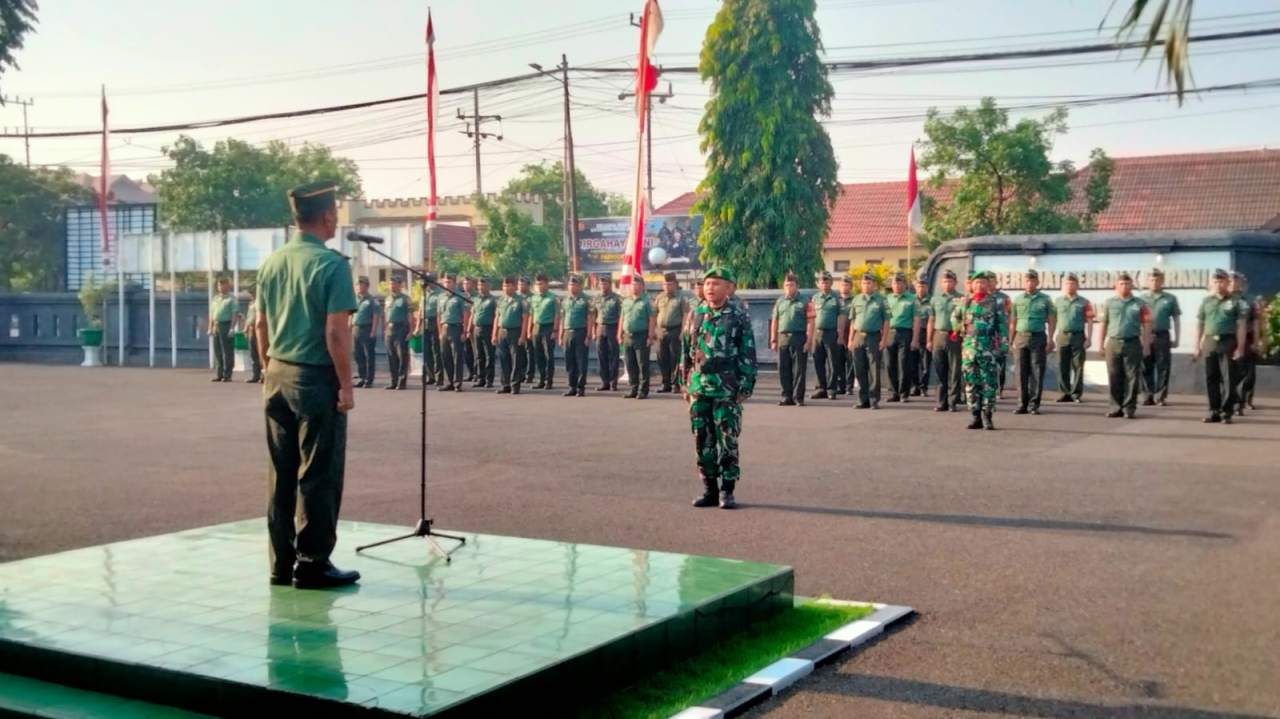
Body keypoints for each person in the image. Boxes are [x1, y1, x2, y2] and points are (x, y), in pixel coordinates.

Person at [255, 180, 359, 590]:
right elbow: (336, 332)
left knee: (280, 473)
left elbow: (260, 323)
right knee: (317, 473)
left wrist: (268, 366)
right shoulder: (331, 265)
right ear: (329, 216)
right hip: (314, 378)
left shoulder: (273, 262)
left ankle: (281, 563)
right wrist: (347, 387)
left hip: (277, 373)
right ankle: (313, 562)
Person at [680, 266, 757, 510]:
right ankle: (709, 488)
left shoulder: (737, 316)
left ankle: (727, 490)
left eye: (716, 284)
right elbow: (685, 351)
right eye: (707, 283)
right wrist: (684, 383)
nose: (710, 288)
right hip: (699, 387)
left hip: (727, 387)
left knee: (727, 439)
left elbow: (748, 352)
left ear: (728, 288)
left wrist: (746, 384)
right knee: (702, 438)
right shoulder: (694, 315)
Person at [951, 271, 1008, 430]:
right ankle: (975, 415)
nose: (980, 285)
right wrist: (957, 330)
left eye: (983, 282)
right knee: (971, 382)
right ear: (972, 285)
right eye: (977, 282)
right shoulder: (965, 302)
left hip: (987, 346)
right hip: (969, 348)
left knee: (988, 382)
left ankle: (987, 416)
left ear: (988, 285)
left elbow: (1002, 325)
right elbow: (954, 317)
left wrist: (1003, 345)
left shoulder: (995, 302)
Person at [1194, 269, 1247, 423]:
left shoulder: (1236, 302)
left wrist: (1240, 347)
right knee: (1211, 378)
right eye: (1215, 282)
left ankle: (1226, 412)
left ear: (1227, 283)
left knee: (1229, 377)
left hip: (1228, 342)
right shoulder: (1206, 301)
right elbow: (1200, 324)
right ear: (1212, 283)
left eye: (1221, 281)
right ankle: (1213, 411)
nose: (1218, 284)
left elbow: (1241, 326)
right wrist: (1197, 345)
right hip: (1210, 342)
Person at [1098, 272, 1151, 419]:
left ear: (1132, 285)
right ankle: (1115, 407)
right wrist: (1100, 344)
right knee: (1114, 376)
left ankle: (1129, 409)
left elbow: (1147, 325)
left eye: (1127, 284)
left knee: (1132, 377)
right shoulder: (1109, 303)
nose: (1124, 286)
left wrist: (1146, 345)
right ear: (1116, 286)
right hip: (1113, 343)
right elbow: (1103, 324)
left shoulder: (1140, 304)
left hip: (1132, 342)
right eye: (1121, 284)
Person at [1008, 269, 1056, 415]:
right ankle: (1021, 403)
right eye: (1027, 281)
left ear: (1037, 282)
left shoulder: (1045, 299)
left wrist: (1050, 338)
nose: (1030, 283)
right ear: (1024, 283)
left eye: (1032, 280)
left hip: (1038, 336)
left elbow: (1052, 320)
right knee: (1021, 372)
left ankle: (1033, 405)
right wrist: (1010, 341)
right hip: (1020, 337)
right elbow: (1013, 322)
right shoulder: (1017, 300)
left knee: (1037, 371)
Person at [842, 272, 890, 409]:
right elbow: (852, 321)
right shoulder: (856, 300)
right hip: (858, 336)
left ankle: (874, 399)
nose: (866, 285)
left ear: (874, 284)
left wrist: (884, 339)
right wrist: (850, 340)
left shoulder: (882, 300)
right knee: (859, 369)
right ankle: (863, 399)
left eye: (869, 283)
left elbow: (886, 321)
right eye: (863, 283)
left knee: (874, 368)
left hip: (874, 336)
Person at [770, 272, 813, 406]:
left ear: (797, 286)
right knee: (783, 368)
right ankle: (786, 396)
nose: (789, 288)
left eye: (792, 285)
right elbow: (775, 321)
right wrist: (773, 339)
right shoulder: (780, 301)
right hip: (783, 337)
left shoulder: (805, 301)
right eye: (786, 285)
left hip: (799, 337)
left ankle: (798, 397)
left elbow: (811, 322)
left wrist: (809, 340)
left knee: (799, 369)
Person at [1140, 268, 1181, 407]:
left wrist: (1177, 339)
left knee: (1163, 367)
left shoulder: (1170, 298)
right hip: (1146, 336)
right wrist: (1141, 337)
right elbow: (1138, 320)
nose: (1154, 282)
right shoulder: (1141, 299)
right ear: (1147, 282)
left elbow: (1176, 319)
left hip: (1162, 335)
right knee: (1146, 366)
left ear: (1162, 281)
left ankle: (1160, 396)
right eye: (1151, 280)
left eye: (1157, 280)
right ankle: (1147, 395)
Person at [1053, 272, 1094, 403]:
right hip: (1062, 336)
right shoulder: (1057, 302)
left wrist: (1089, 338)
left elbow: (1090, 321)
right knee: (1061, 365)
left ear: (1077, 286)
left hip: (1078, 336)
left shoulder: (1084, 302)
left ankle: (1076, 394)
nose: (1069, 286)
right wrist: (1052, 337)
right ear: (1063, 286)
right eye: (1067, 284)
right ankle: (1063, 393)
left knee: (1078, 366)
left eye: (1072, 284)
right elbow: (1053, 319)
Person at [927, 269, 964, 412]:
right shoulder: (935, 299)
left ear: (955, 282)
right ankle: (941, 402)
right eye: (944, 281)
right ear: (941, 283)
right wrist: (929, 340)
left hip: (954, 335)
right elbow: (931, 319)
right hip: (938, 335)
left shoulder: (961, 299)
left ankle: (953, 401)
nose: (947, 284)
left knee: (955, 370)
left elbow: (963, 319)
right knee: (939, 369)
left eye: (950, 281)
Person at [1231, 272, 1263, 415]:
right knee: (1229, 373)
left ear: (1242, 284)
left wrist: (1256, 341)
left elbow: (1256, 322)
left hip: (1247, 339)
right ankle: (1230, 401)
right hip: (1228, 339)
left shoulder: (1251, 301)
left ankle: (1240, 402)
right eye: (1230, 280)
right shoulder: (1224, 299)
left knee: (1246, 373)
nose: (1233, 283)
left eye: (1236, 280)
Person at [883, 272, 919, 403]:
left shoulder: (912, 299)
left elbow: (916, 320)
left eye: (899, 282)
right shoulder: (887, 299)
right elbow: (884, 318)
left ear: (904, 284)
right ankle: (893, 392)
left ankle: (904, 393)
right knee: (889, 364)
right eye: (894, 283)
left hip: (905, 333)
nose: (896, 285)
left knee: (903, 364)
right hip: (890, 333)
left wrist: (915, 339)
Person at [492, 276, 530, 394]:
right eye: (504, 286)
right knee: (504, 359)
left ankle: (515, 385)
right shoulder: (501, 300)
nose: (506, 288)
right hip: (502, 332)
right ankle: (505, 384)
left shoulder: (521, 301)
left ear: (514, 286)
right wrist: (494, 334)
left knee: (516, 359)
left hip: (515, 331)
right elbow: (497, 317)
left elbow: (525, 319)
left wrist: (523, 336)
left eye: (508, 285)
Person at [654, 271, 691, 394]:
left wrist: (682, 331)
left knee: (675, 358)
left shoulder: (681, 298)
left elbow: (685, 315)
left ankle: (675, 384)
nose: (667, 287)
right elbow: (654, 314)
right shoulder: (660, 297)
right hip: (661, 331)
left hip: (675, 331)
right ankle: (665, 383)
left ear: (675, 284)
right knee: (662, 357)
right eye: (665, 284)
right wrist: (653, 329)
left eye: (669, 284)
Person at [809, 271, 843, 401]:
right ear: (818, 284)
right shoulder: (815, 298)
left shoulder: (837, 297)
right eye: (822, 282)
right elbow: (811, 318)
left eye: (827, 282)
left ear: (831, 283)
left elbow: (842, 316)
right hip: (817, 333)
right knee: (818, 361)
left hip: (831, 332)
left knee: (833, 362)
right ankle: (821, 388)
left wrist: (840, 333)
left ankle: (832, 388)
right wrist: (810, 335)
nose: (824, 284)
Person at [620, 277, 656, 399]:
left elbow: (652, 319)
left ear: (642, 287)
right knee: (630, 364)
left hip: (641, 335)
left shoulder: (647, 301)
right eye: (632, 285)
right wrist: (619, 333)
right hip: (627, 336)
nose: (634, 287)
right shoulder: (626, 301)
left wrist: (650, 336)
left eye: (637, 284)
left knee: (642, 364)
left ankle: (643, 390)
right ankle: (633, 388)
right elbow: (622, 318)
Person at [435, 273, 470, 392]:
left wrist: (465, 331)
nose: (446, 284)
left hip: (456, 327)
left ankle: (457, 382)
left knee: (457, 357)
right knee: (445, 356)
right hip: (444, 328)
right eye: (445, 282)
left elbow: (466, 315)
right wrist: (440, 332)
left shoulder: (460, 297)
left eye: (449, 282)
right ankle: (449, 381)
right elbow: (439, 316)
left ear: (455, 283)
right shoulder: (441, 297)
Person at [560, 274, 592, 397]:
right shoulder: (566, 300)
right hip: (568, 332)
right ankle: (571, 386)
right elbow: (563, 318)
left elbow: (590, 318)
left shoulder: (586, 300)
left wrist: (589, 335)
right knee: (569, 360)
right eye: (569, 284)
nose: (571, 286)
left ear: (579, 286)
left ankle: (580, 387)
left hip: (580, 332)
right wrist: (561, 335)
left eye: (574, 284)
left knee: (581, 361)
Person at [528, 272, 559, 390]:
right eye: (537, 284)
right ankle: (541, 379)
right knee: (538, 355)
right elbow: (531, 314)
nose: (539, 286)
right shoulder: (534, 298)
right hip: (536, 327)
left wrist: (555, 330)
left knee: (548, 356)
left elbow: (556, 315)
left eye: (541, 284)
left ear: (546, 284)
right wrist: (529, 330)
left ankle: (549, 381)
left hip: (548, 327)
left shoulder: (552, 298)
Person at [592, 274, 623, 391]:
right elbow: (593, 315)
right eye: (601, 284)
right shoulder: (596, 298)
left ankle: (613, 381)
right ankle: (605, 382)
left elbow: (621, 316)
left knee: (614, 356)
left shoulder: (617, 298)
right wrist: (593, 331)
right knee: (601, 356)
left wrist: (619, 332)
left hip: (612, 328)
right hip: (600, 327)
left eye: (605, 283)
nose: (603, 286)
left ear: (610, 284)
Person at [382, 275, 412, 390]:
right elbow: (386, 315)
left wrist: (410, 330)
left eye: (394, 283)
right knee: (391, 355)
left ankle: (402, 381)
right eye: (390, 283)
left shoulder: (405, 298)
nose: (392, 286)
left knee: (402, 356)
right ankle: (393, 381)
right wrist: (385, 329)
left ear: (400, 285)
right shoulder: (388, 298)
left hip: (401, 328)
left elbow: (409, 315)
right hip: (390, 329)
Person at [208, 276, 240, 382]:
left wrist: (232, 328)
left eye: (223, 284)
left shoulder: (232, 298)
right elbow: (212, 314)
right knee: (218, 351)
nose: (220, 287)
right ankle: (219, 373)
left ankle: (227, 374)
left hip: (226, 325)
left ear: (228, 285)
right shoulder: (215, 298)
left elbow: (234, 313)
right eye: (219, 285)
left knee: (227, 351)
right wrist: (210, 327)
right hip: (216, 325)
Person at [350, 277, 379, 388]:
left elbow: (376, 316)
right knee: (358, 355)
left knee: (368, 355)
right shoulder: (354, 299)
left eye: (361, 285)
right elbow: (351, 314)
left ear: (367, 286)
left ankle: (369, 379)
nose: (358, 287)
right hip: (355, 328)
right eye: (357, 285)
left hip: (367, 329)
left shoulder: (372, 300)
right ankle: (362, 377)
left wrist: (373, 331)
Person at [469, 276, 497, 389]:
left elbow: (496, 316)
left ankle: (489, 380)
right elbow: (472, 314)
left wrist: (495, 333)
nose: (481, 287)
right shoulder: (476, 299)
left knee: (489, 356)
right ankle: (481, 378)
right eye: (479, 285)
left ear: (489, 286)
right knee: (478, 355)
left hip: (488, 329)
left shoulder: (493, 300)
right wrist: (468, 329)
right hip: (476, 329)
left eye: (483, 285)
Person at [988, 273, 1012, 398]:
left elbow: (1011, 317)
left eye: (992, 281)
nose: (990, 284)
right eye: (988, 281)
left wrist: (1009, 337)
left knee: (1001, 364)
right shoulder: (983, 298)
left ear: (996, 283)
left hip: (1001, 335)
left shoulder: (1004, 298)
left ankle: (999, 390)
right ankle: (989, 388)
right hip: (987, 335)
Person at [418, 274, 443, 387]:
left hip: (435, 321)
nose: (426, 283)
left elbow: (441, 311)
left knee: (436, 351)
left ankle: (439, 377)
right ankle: (430, 376)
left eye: (428, 281)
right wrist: (417, 326)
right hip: (425, 321)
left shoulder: (440, 293)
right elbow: (420, 310)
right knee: (426, 351)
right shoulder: (424, 292)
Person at [912, 276, 932, 397]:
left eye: (923, 286)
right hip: (913, 332)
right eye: (919, 286)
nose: (921, 288)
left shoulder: (932, 301)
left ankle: (923, 386)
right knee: (912, 362)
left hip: (926, 333)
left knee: (925, 363)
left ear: (927, 287)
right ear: (915, 287)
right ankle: (915, 386)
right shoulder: (911, 300)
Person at [517, 276, 537, 385]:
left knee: (529, 351)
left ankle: (529, 374)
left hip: (529, 326)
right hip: (517, 327)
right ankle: (520, 374)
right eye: (519, 284)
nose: (521, 287)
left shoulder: (533, 297)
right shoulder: (516, 297)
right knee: (519, 352)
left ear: (528, 285)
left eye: (523, 284)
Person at [837, 275, 855, 395]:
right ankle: (840, 386)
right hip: (836, 332)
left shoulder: (855, 300)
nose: (844, 287)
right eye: (842, 284)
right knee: (838, 361)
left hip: (850, 332)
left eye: (847, 284)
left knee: (850, 361)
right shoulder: (835, 300)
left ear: (851, 287)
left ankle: (849, 386)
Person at [243, 286, 263, 383]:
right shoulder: (251, 303)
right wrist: (246, 328)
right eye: (250, 293)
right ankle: (255, 375)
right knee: (253, 354)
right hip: (251, 329)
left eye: (253, 293)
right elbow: (248, 316)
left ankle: (263, 375)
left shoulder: (261, 302)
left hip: (259, 329)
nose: (251, 295)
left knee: (261, 353)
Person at [461, 276, 478, 382]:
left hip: (473, 327)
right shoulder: (461, 296)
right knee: (467, 352)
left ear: (474, 285)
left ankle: (477, 373)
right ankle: (471, 372)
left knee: (475, 352)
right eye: (464, 284)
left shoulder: (477, 297)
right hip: (463, 327)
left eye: (469, 284)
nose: (466, 286)